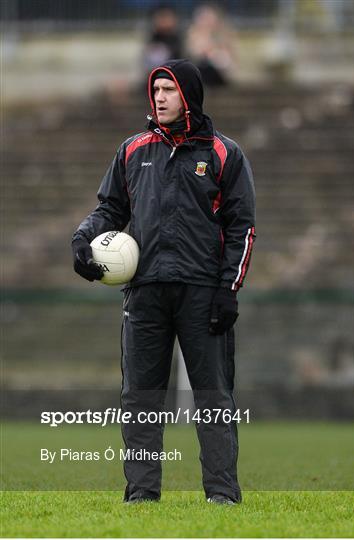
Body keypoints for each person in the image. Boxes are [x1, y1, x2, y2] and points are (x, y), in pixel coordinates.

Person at [72, 59, 256, 505]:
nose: (158, 97)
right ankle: (141, 495)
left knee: (213, 398)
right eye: (154, 89)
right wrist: (83, 240)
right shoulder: (133, 150)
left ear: (188, 96)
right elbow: (110, 210)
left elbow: (242, 227)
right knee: (140, 397)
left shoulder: (222, 153)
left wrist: (227, 291)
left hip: (202, 294)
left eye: (168, 89)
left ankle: (222, 495)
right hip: (145, 291)